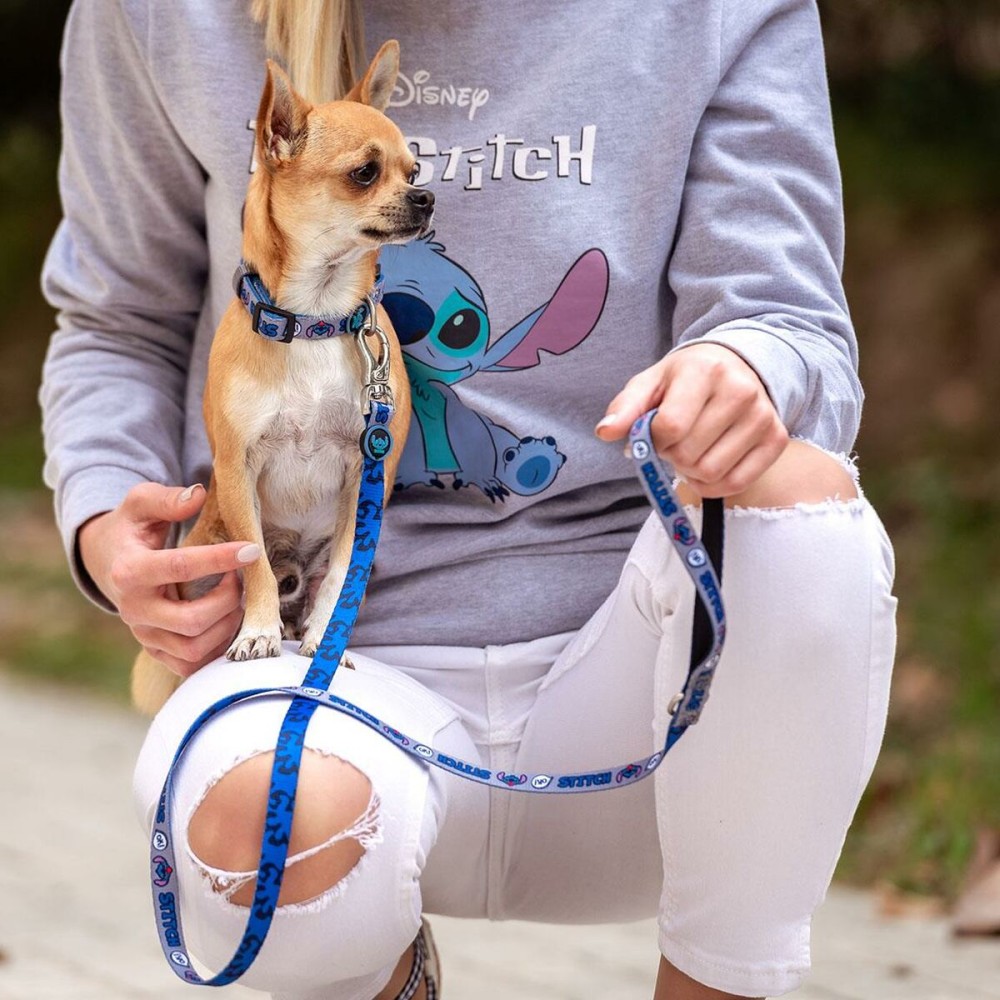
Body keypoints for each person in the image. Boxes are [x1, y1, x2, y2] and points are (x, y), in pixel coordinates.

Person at [40, 1, 897, 998]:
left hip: (645, 688)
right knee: (251, 829)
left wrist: (740, 364)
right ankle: (375, 970)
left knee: (800, 507)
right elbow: (116, 318)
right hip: (333, 678)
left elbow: (789, 316)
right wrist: (108, 523)